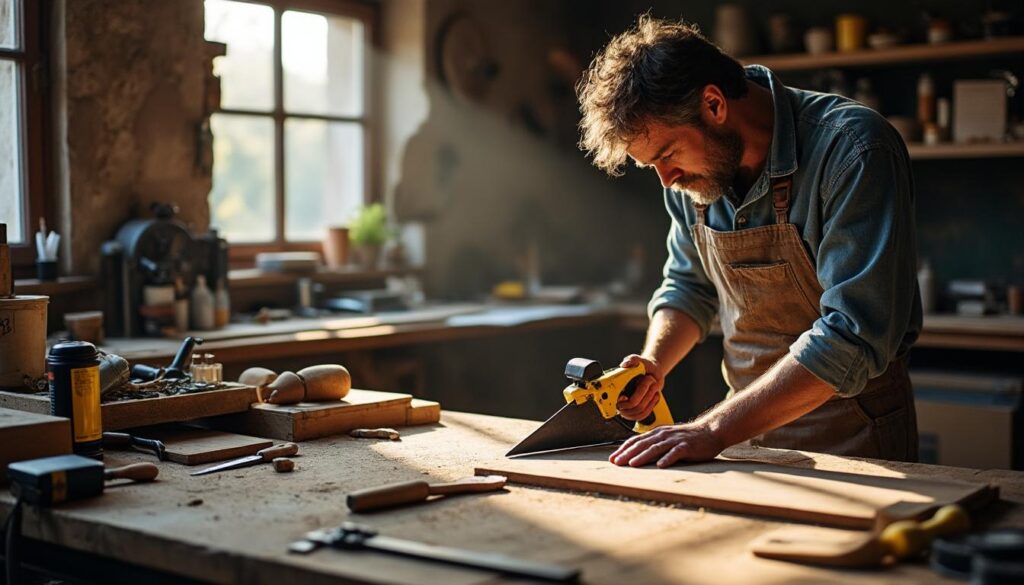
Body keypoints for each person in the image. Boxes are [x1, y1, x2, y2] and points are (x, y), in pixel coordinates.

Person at [576, 16, 921, 468]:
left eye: (667, 155)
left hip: (855, 436)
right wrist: (653, 362)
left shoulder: (854, 150)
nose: (667, 179)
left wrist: (711, 429)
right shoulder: (691, 180)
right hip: (743, 437)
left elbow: (851, 337)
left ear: (714, 104)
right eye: (652, 167)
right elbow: (688, 287)